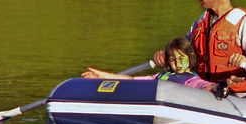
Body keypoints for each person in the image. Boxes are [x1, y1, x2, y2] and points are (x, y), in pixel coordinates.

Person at [82, 38, 217, 90]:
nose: (178, 64)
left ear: (190, 57)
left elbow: (203, 85)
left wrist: (214, 88)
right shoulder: (161, 76)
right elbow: (132, 79)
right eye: (173, 61)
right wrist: (101, 75)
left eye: (182, 59)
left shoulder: (191, 79)